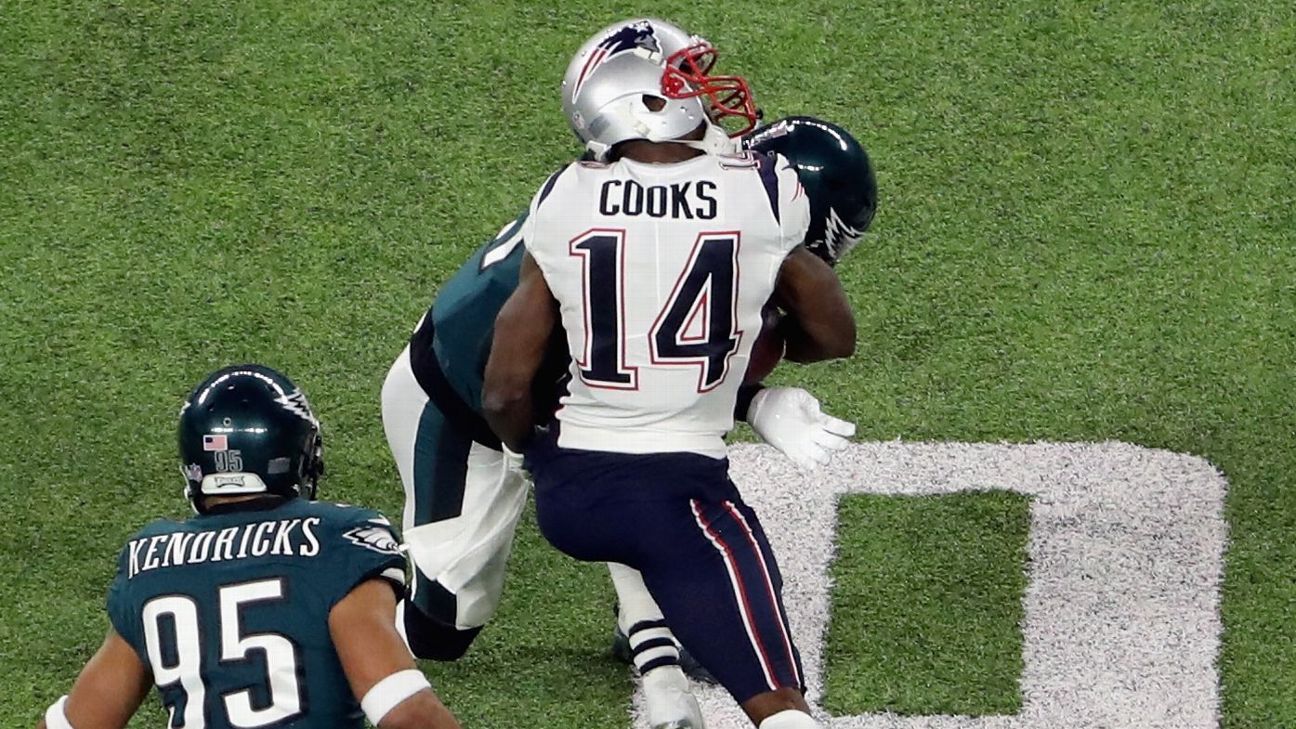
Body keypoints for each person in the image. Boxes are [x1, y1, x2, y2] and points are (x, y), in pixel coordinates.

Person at [380, 18, 872, 728]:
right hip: (455, 396)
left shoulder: (602, 186)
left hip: (549, 390)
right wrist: (536, 450)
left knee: (636, 469)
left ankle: (648, 629)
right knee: (444, 627)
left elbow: (638, 372)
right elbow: (526, 386)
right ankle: (338, 594)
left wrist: (751, 399)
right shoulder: (739, 212)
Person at [37, 365, 460, 729]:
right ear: (298, 454)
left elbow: (74, 724)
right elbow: (405, 713)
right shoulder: (338, 539)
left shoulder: (150, 561)